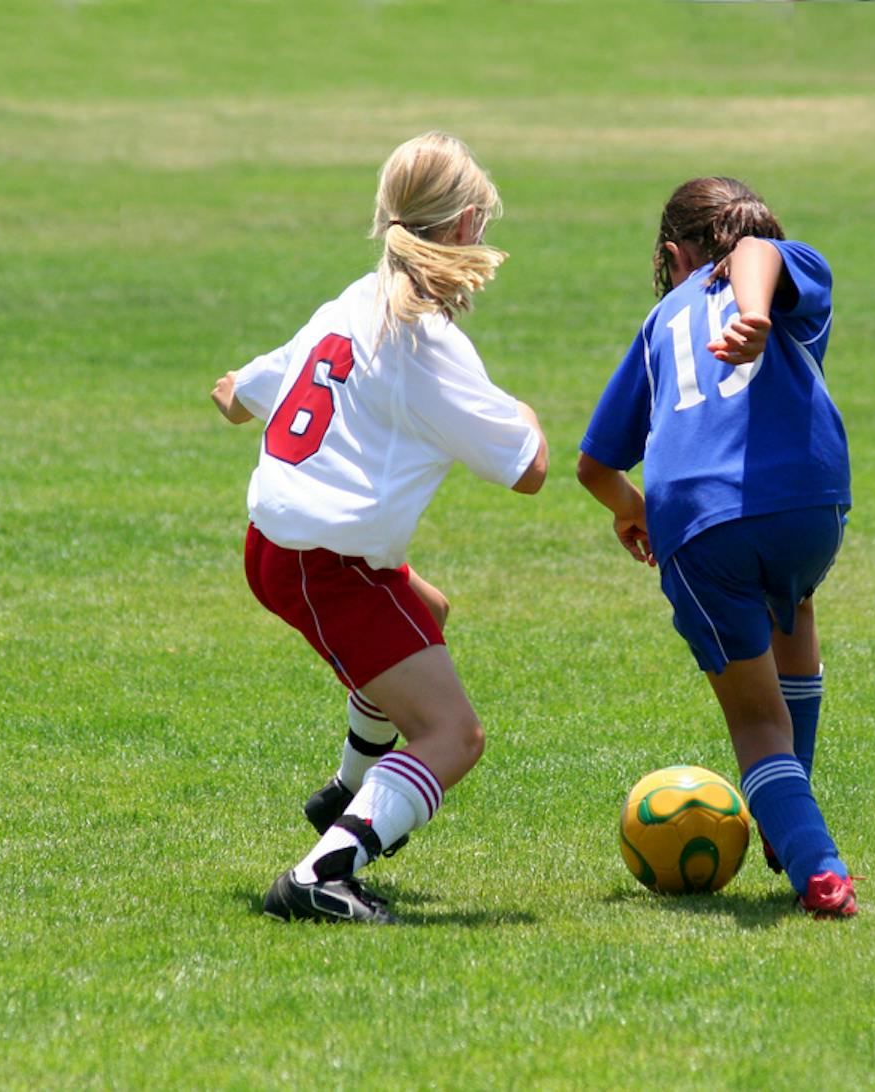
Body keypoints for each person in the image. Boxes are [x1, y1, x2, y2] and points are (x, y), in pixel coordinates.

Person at [211, 132, 548, 925]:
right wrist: (526, 413)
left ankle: (348, 790)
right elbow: (530, 467)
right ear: (466, 226)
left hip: (280, 547)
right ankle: (321, 876)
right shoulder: (427, 347)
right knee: (454, 735)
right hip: (323, 564)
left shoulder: (350, 303)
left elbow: (242, 391)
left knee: (424, 611)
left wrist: (234, 396)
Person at [576, 177, 858, 918]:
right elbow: (764, 255)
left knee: (757, 723)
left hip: (700, 524)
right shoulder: (807, 272)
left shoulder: (667, 314)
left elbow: (595, 466)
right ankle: (788, 821)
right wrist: (764, 313)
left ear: (675, 257)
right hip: (810, 504)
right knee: (792, 605)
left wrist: (632, 511)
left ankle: (819, 868)